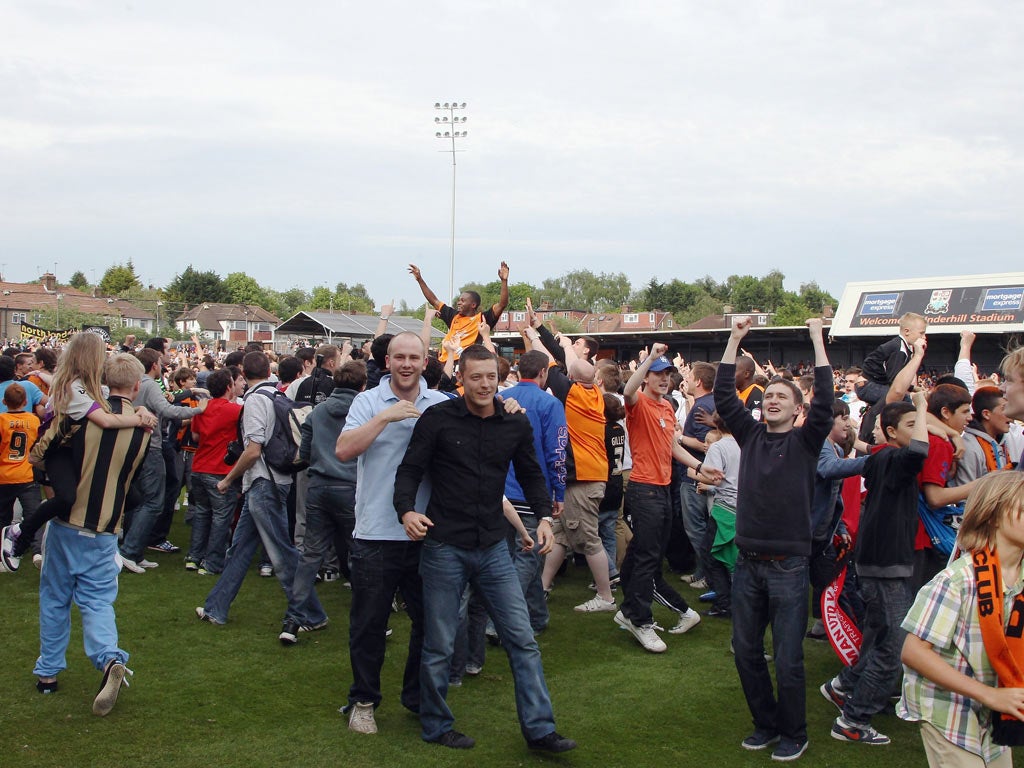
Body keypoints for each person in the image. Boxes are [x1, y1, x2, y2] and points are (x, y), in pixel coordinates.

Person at [393, 344, 576, 753]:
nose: (484, 384)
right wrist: (406, 511)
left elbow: (531, 474)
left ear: (500, 377)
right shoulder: (437, 419)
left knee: (522, 639)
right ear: (462, 378)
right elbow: (409, 470)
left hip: (494, 546)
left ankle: (541, 731)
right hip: (444, 546)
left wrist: (544, 517)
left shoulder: (514, 423)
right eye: (476, 377)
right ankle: (437, 724)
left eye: (491, 377)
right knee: (439, 643)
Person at [714, 317, 833, 762]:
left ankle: (793, 732)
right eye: (770, 396)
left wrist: (817, 338)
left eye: (784, 397)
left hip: (788, 567)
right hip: (748, 564)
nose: (774, 401)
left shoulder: (806, 442)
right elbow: (725, 394)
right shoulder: (750, 436)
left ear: (797, 409)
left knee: (788, 659)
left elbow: (826, 399)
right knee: (745, 651)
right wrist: (734, 338)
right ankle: (765, 723)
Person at [335, 332, 450, 735]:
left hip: (427, 534)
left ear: (425, 362)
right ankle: (363, 700)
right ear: (387, 361)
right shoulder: (367, 402)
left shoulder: (441, 404)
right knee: (368, 624)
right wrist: (386, 416)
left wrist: (506, 404)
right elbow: (344, 450)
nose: (406, 364)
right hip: (375, 533)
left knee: (430, 624)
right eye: (399, 357)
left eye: (413, 357)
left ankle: (417, 697)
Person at [31, 353, 151, 715]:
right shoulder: (143, 426)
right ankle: (109, 658)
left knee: (55, 599)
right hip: (106, 526)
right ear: (136, 387)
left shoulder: (84, 415)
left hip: (69, 520)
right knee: (97, 601)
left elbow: (45, 451)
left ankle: (48, 674)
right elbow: (135, 483)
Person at [195, 351, 327, 644]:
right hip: (272, 480)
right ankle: (216, 608)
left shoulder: (256, 400)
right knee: (240, 549)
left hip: (263, 483)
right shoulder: (275, 394)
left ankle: (311, 614)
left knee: (281, 554)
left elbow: (254, 449)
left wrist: (228, 480)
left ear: (243, 373)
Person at [821, 394, 929, 746]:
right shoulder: (897, 458)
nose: (920, 430)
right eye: (911, 426)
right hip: (886, 567)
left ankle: (845, 685)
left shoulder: (881, 458)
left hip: (877, 563)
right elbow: (919, 452)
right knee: (895, 647)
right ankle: (853, 719)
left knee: (881, 634)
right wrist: (925, 409)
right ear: (892, 432)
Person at [1, 332, 158, 573]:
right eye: (101, 354)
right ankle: (20, 534)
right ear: (90, 357)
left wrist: (141, 408)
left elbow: (117, 402)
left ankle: (60, 526)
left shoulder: (89, 387)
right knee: (67, 498)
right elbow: (105, 420)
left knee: (131, 497)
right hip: (56, 449)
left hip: (70, 447)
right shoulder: (73, 388)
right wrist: (138, 419)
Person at [900, 471, 1024, 767]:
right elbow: (913, 652)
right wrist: (990, 695)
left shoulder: (1019, 579)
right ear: (993, 515)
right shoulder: (958, 580)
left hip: (996, 706)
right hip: (947, 708)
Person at [615, 345, 707, 652]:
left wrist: (698, 466)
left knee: (645, 555)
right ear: (647, 377)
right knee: (647, 558)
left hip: (663, 488)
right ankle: (638, 618)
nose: (664, 379)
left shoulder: (667, 407)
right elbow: (627, 389)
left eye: (668, 374)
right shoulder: (638, 401)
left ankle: (629, 610)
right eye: (658, 374)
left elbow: (671, 447)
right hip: (644, 489)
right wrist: (650, 359)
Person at [118, 348, 206, 573]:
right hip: (151, 446)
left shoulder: (134, 384)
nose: (163, 363)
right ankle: (129, 551)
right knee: (154, 501)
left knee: (137, 499)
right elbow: (168, 411)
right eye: (160, 360)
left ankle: (133, 551)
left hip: (135, 444)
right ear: (153, 365)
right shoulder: (147, 384)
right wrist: (199, 410)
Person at [499, 349, 564, 632]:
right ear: (543, 373)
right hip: (530, 493)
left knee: (528, 558)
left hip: (502, 492)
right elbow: (557, 452)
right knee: (526, 558)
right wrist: (558, 493)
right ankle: (498, 619)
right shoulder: (549, 403)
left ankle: (537, 617)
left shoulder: (502, 399)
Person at [185, 367, 242, 574]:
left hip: (199, 467)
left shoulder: (203, 408)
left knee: (202, 513)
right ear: (229, 386)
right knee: (221, 518)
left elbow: (196, 437)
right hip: (219, 471)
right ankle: (212, 562)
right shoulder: (234, 411)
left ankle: (194, 556)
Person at [408, 261, 509, 362]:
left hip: (464, 362)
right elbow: (434, 300)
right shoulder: (453, 316)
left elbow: (502, 304)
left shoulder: (482, 319)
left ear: (473, 305)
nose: (459, 303)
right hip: (445, 362)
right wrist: (420, 280)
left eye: (463, 300)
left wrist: (504, 281)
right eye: (459, 300)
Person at [0, 384, 41, 549]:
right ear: (25, 402)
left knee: (3, 517)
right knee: (33, 514)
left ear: (4, 401)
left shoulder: (2, 420)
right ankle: (37, 549)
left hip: (5, 474)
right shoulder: (33, 420)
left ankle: (3, 550)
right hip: (26, 473)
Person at [858, 312, 928, 406]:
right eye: (921, 333)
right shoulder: (899, 349)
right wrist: (911, 389)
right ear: (907, 331)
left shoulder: (903, 347)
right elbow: (895, 383)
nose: (924, 337)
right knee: (903, 399)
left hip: (871, 385)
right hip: (867, 386)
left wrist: (913, 388)